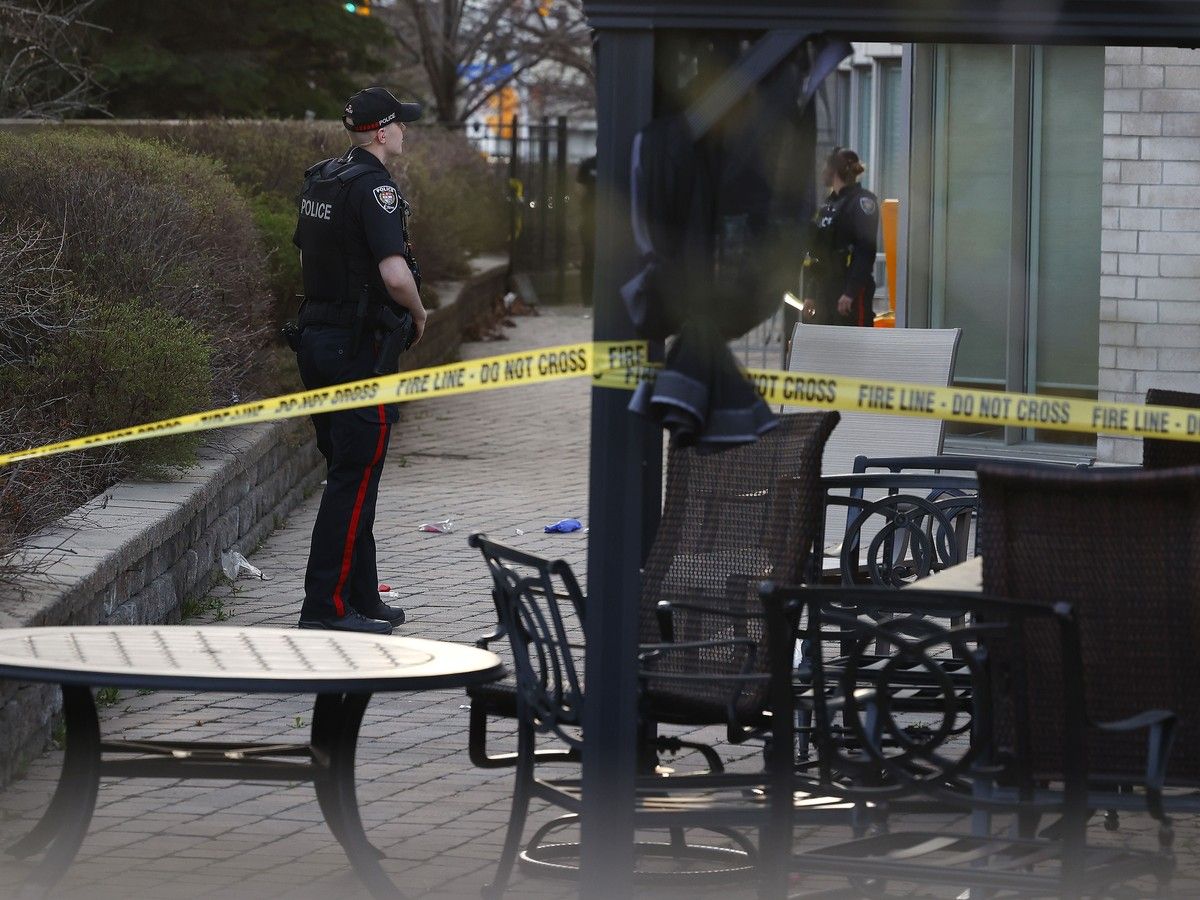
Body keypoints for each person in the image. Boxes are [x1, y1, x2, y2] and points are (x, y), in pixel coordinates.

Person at [291, 86, 427, 634]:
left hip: (318, 341)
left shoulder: (325, 177)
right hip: (357, 352)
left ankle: (361, 594)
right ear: (380, 131)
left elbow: (307, 253)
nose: (405, 133)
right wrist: (419, 314)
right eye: (400, 125)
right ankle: (325, 608)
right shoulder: (374, 188)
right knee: (355, 474)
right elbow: (395, 276)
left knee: (352, 471)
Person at [802, 147, 880, 327]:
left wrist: (850, 292)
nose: (822, 171)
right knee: (827, 348)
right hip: (824, 291)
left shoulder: (862, 202)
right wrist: (810, 294)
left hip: (848, 291)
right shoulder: (828, 205)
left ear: (835, 169)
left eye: (826, 166)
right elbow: (817, 253)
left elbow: (865, 252)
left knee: (854, 347)